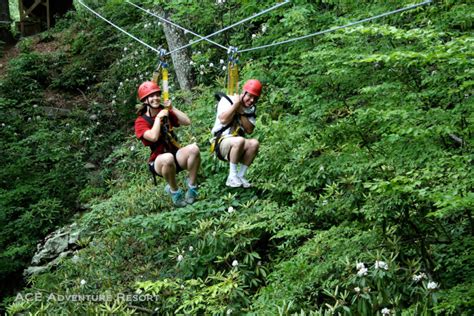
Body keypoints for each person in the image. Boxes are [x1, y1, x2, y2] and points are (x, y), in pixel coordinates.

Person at [134, 81, 200, 207]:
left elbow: (187, 121)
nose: (156, 98)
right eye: (151, 96)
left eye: (157, 95)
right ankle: (174, 192)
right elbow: (153, 137)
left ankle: (192, 187)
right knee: (167, 158)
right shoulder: (141, 121)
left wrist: (171, 108)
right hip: (158, 161)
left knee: (194, 149)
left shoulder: (165, 111)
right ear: (145, 100)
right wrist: (158, 118)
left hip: (175, 155)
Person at [211, 79, 262, 188]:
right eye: (250, 96)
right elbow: (223, 120)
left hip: (238, 145)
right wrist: (235, 106)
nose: (252, 100)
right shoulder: (226, 100)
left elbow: (249, 130)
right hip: (222, 143)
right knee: (239, 140)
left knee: (254, 143)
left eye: (255, 98)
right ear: (243, 93)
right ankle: (232, 176)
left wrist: (241, 111)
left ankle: (240, 175)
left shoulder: (250, 110)